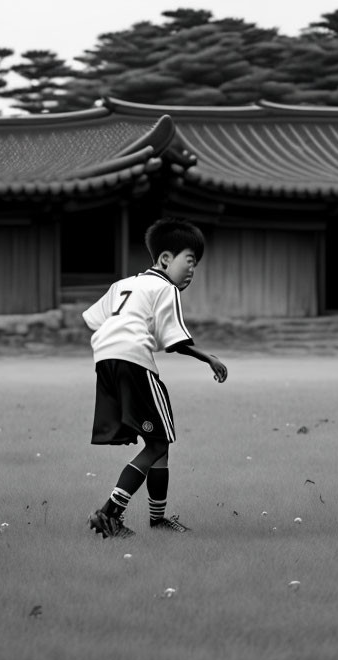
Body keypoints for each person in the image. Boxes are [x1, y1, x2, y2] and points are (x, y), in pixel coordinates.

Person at [82, 216, 228, 539]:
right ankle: (109, 513)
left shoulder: (122, 284)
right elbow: (175, 340)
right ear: (165, 258)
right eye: (190, 260)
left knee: (158, 441)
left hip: (105, 360)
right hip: (134, 362)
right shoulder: (165, 287)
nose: (192, 270)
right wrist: (209, 358)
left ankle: (157, 520)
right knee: (160, 441)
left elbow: (92, 320)